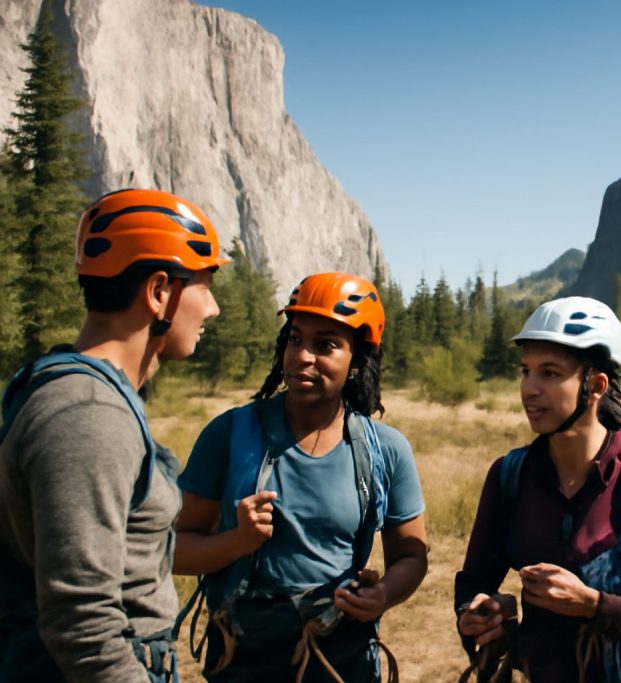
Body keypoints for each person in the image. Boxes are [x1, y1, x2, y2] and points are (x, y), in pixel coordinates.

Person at [0, 189, 227, 681]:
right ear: (159, 291)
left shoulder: (91, 398)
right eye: (205, 285)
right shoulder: (87, 415)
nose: (212, 308)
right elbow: (83, 625)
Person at [454, 297, 621, 682]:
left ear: (595, 385)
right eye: (525, 371)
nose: (529, 389)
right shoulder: (509, 476)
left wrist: (595, 606)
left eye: (549, 373)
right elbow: (475, 579)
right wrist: (478, 611)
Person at [174, 272, 428, 682]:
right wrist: (235, 542)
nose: (302, 356)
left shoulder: (386, 449)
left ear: (357, 360)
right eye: (295, 339)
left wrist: (383, 595)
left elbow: (411, 558)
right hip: (243, 661)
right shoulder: (230, 434)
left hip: (342, 660)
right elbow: (172, 550)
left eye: (325, 344)